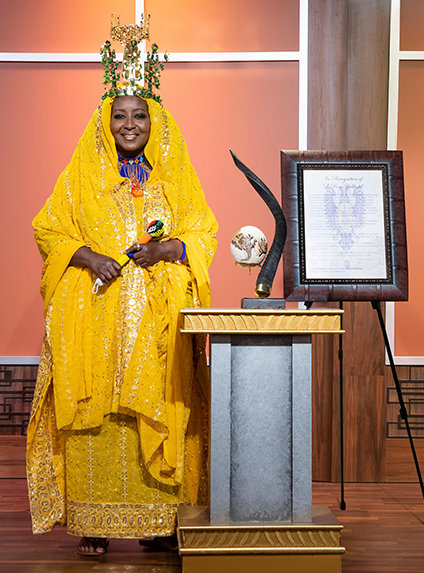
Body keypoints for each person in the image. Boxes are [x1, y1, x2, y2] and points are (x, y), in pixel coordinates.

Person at [26, 19, 218, 556]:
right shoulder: (84, 176)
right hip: (96, 323)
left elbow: (203, 231)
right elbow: (48, 229)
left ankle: (158, 522)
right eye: (120, 115)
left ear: (154, 122)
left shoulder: (172, 179)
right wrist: (89, 258)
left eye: (139, 115)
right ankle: (94, 523)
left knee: (154, 411)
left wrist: (167, 249)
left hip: (156, 333)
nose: (129, 124)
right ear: (105, 122)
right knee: (100, 418)